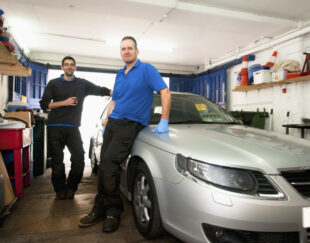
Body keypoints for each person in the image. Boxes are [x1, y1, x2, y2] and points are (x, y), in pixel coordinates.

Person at [79, 36, 171, 233]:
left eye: (130, 48)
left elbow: (164, 91)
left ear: (137, 51)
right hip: (113, 124)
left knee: (110, 166)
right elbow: (115, 99)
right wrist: (107, 120)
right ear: (120, 53)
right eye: (123, 49)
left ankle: (113, 209)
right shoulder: (120, 74)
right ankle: (100, 207)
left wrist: (164, 119)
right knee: (104, 167)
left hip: (131, 123)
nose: (126, 51)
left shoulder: (146, 70)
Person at [40, 56, 112, 200]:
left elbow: (99, 90)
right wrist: (64, 102)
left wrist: (115, 92)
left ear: (75, 68)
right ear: (62, 67)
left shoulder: (82, 84)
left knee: (79, 159)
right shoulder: (53, 84)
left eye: (72, 65)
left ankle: (71, 187)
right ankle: (60, 189)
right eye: (66, 64)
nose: (69, 67)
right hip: (55, 127)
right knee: (57, 162)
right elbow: (44, 104)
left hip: (73, 128)